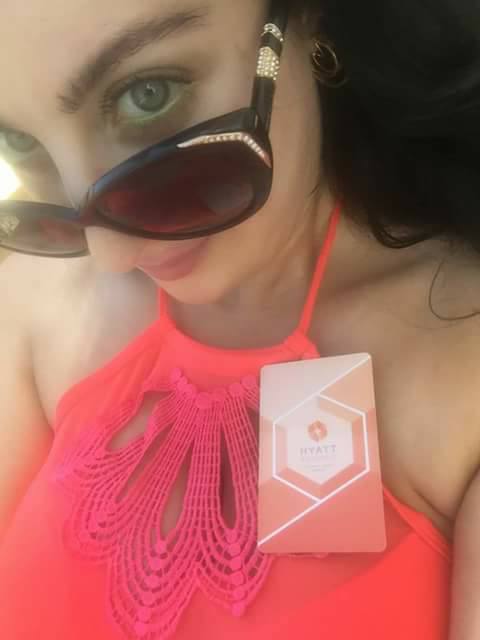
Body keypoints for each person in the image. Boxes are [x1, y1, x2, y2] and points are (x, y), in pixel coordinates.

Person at [0, 0, 479, 638]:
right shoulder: (33, 297)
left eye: (149, 94)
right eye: (17, 142)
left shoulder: (461, 362)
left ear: (308, 18)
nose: (108, 252)